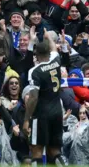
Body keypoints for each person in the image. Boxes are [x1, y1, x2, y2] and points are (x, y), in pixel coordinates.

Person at [23, 30, 66, 166]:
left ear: (36, 54)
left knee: (37, 149)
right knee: (54, 150)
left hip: (41, 114)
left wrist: (26, 119)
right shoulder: (56, 61)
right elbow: (53, 48)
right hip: (57, 111)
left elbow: (34, 97)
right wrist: (48, 37)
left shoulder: (34, 71)